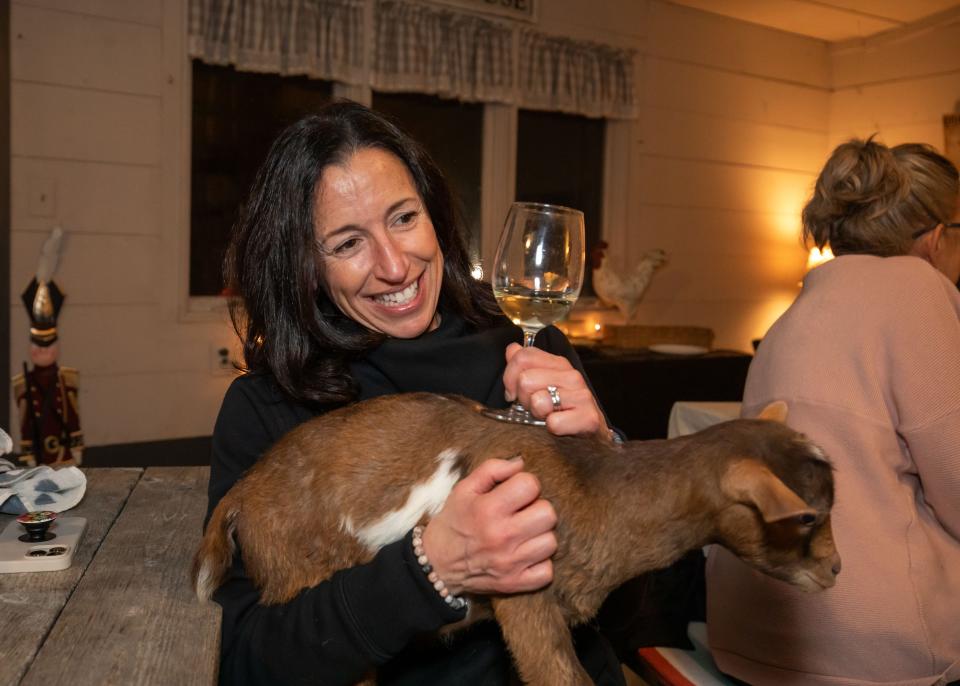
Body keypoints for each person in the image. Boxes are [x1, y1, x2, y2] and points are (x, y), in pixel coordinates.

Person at [206, 101, 626, 685]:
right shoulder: (271, 408)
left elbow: (640, 612)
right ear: (304, 264)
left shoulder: (531, 351)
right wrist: (431, 572)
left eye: (403, 218)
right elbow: (244, 660)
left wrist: (605, 456)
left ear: (434, 215)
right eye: (348, 244)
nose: (395, 266)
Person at [707, 139, 960, 685]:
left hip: (751, 632)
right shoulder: (918, 290)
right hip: (868, 647)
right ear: (937, 240)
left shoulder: (791, 316)